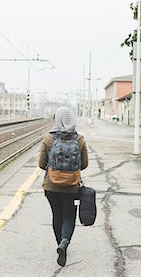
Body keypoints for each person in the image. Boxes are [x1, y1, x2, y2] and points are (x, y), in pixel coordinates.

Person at [38, 106, 89, 267]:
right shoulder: (80, 139)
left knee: (56, 214)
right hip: (72, 187)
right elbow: (85, 165)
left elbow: (41, 164)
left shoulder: (48, 139)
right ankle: (65, 242)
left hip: (51, 186)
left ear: (57, 119)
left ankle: (59, 242)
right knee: (69, 215)